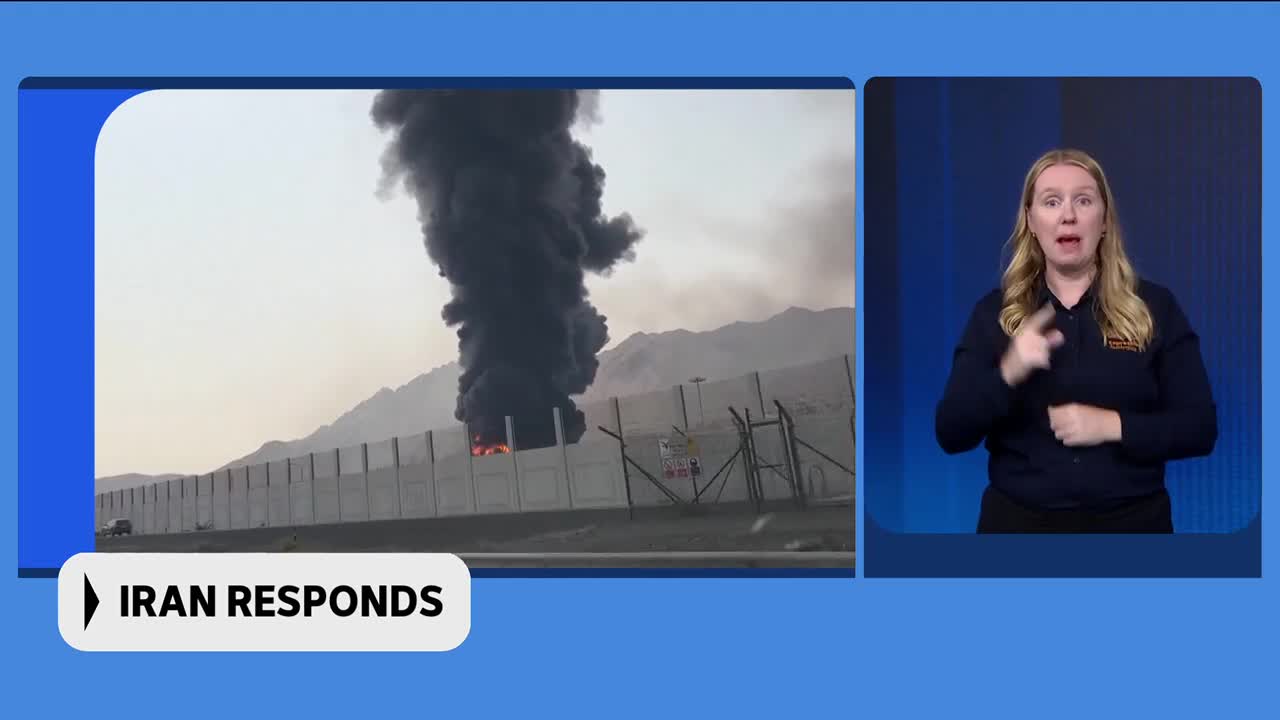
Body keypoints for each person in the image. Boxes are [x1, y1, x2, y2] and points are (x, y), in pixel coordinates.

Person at [935, 148, 1217, 533]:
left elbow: (1200, 428)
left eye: (1083, 200)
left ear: (1103, 220)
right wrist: (1009, 372)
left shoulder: (1156, 307)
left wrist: (1114, 426)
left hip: (1132, 535)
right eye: (1052, 201)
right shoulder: (994, 314)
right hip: (1019, 536)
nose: (1068, 214)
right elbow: (950, 433)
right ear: (1032, 220)